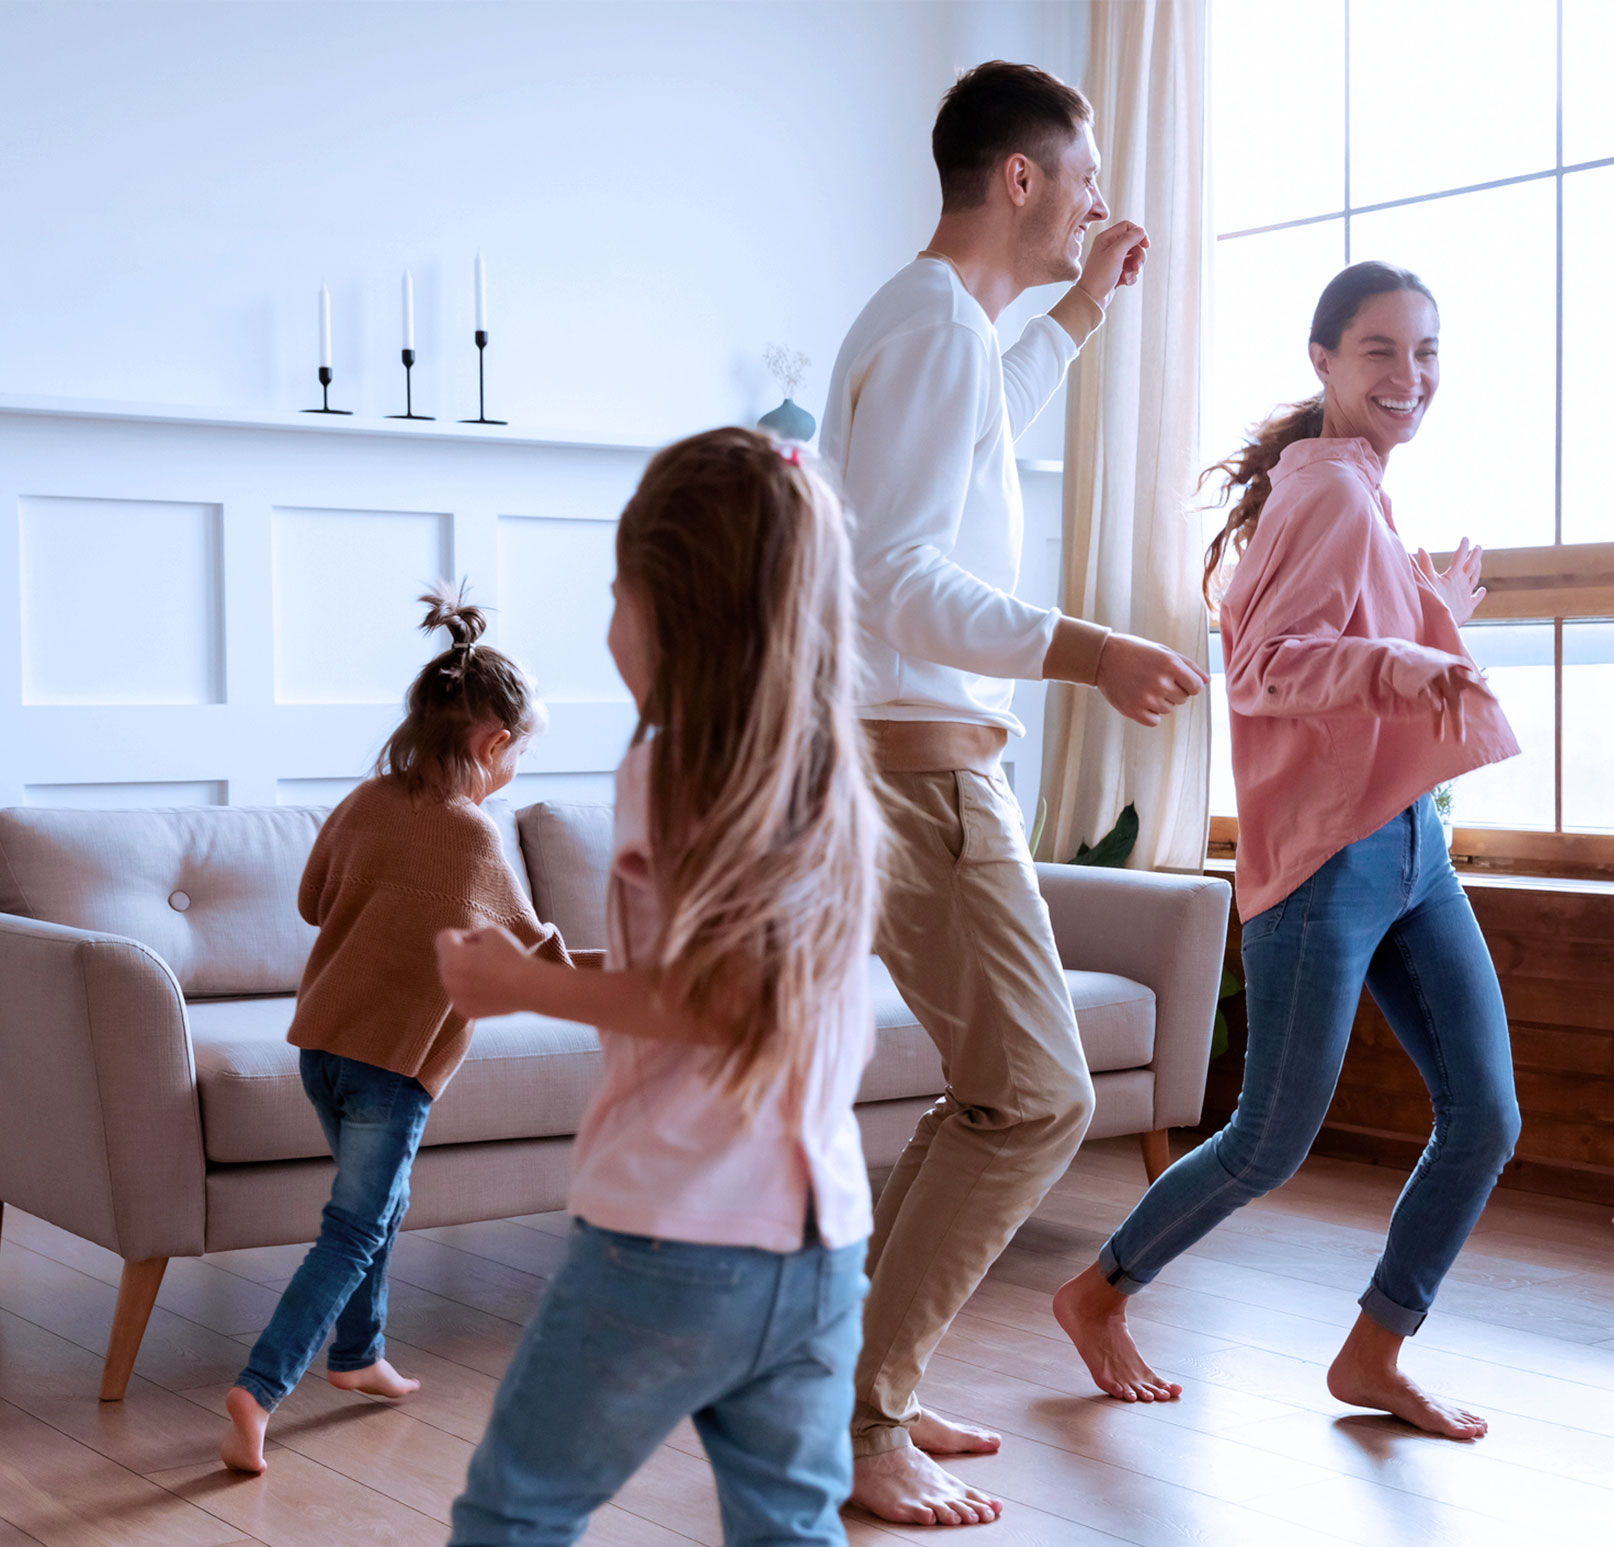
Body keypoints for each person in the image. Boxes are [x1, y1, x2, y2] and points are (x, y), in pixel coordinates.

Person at [818, 60, 1206, 1527]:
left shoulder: (943, 331)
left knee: (999, 1088)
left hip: (923, 767)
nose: (1099, 202)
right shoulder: (929, 328)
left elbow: (982, 409)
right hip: (924, 776)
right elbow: (897, 573)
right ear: (1023, 179)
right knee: (1039, 1096)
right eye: (1085, 181)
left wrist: (1090, 309)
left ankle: (864, 1388)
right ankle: (862, 1419)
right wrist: (1084, 649)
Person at [1052, 261, 1525, 1441]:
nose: (1408, 376)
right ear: (1323, 362)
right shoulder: (1325, 487)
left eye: (1425, 352)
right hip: (1327, 863)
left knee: (1485, 1115)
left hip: (1410, 846)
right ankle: (1096, 1289)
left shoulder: (1354, 482)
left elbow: (1347, 630)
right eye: (1380, 351)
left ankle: (1375, 1349)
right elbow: (1266, 668)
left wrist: (1434, 610)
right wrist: (1411, 658)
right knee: (1268, 1136)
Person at [436, 429, 882, 1546]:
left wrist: (517, 984)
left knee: (514, 1513)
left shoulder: (676, 762)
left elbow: (718, 1003)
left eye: (616, 593)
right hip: (819, 1242)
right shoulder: (827, 774)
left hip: (674, 1231)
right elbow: (723, 980)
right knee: (791, 1525)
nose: (608, 627)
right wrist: (556, 970)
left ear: (671, 604)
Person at [221, 587, 567, 1475]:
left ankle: (357, 1354)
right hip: (391, 1067)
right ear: (494, 745)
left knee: (379, 1206)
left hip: (323, 1047)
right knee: (354, 1226)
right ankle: (259, 1387)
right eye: (520, 753)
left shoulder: (367, 800)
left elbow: (310, 901)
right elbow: (539, 957)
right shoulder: (478, 839)